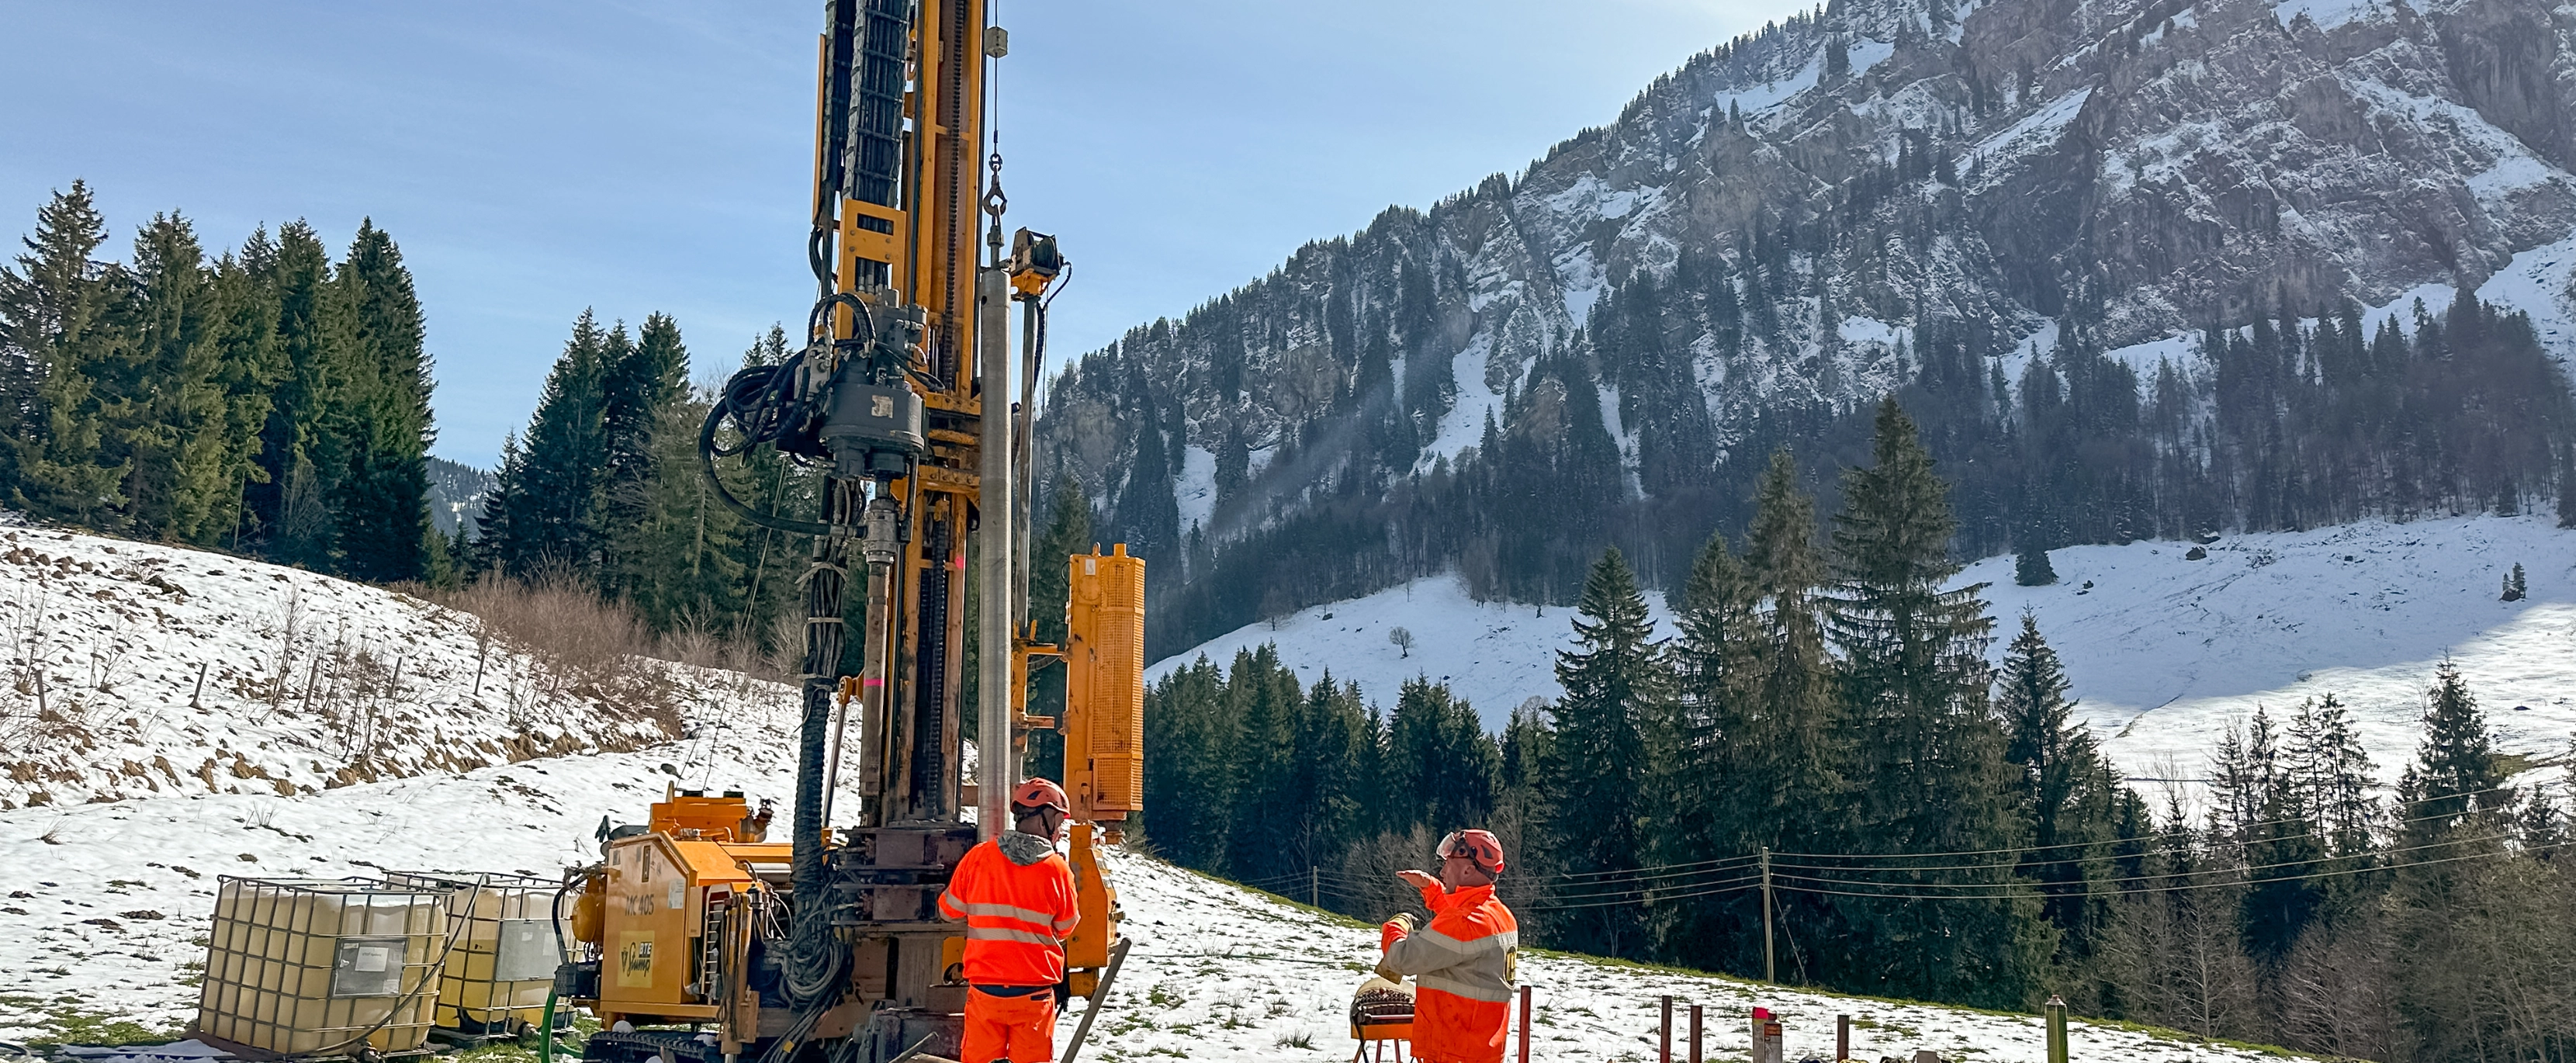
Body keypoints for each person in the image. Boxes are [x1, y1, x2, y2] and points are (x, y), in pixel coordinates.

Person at [939, 778, 1082, 1063]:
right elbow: (1066, 928)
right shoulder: (1056, 870)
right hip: (1033, 998)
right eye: (1060, 821)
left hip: (985, 995)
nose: (1060, 830)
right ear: (1048, 818)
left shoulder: (978, 857)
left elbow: (949, 911)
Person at [1376, 829, 1519, 1063]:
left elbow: (1401, 958)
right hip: (1480, 1049)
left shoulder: (1463, 922)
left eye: (1449, 864)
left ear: (1468, 870)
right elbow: (1459, 919)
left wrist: (1395, 925)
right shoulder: (1498, 914)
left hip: (1454, 1051)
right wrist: (1430, 887)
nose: (1442, 871)